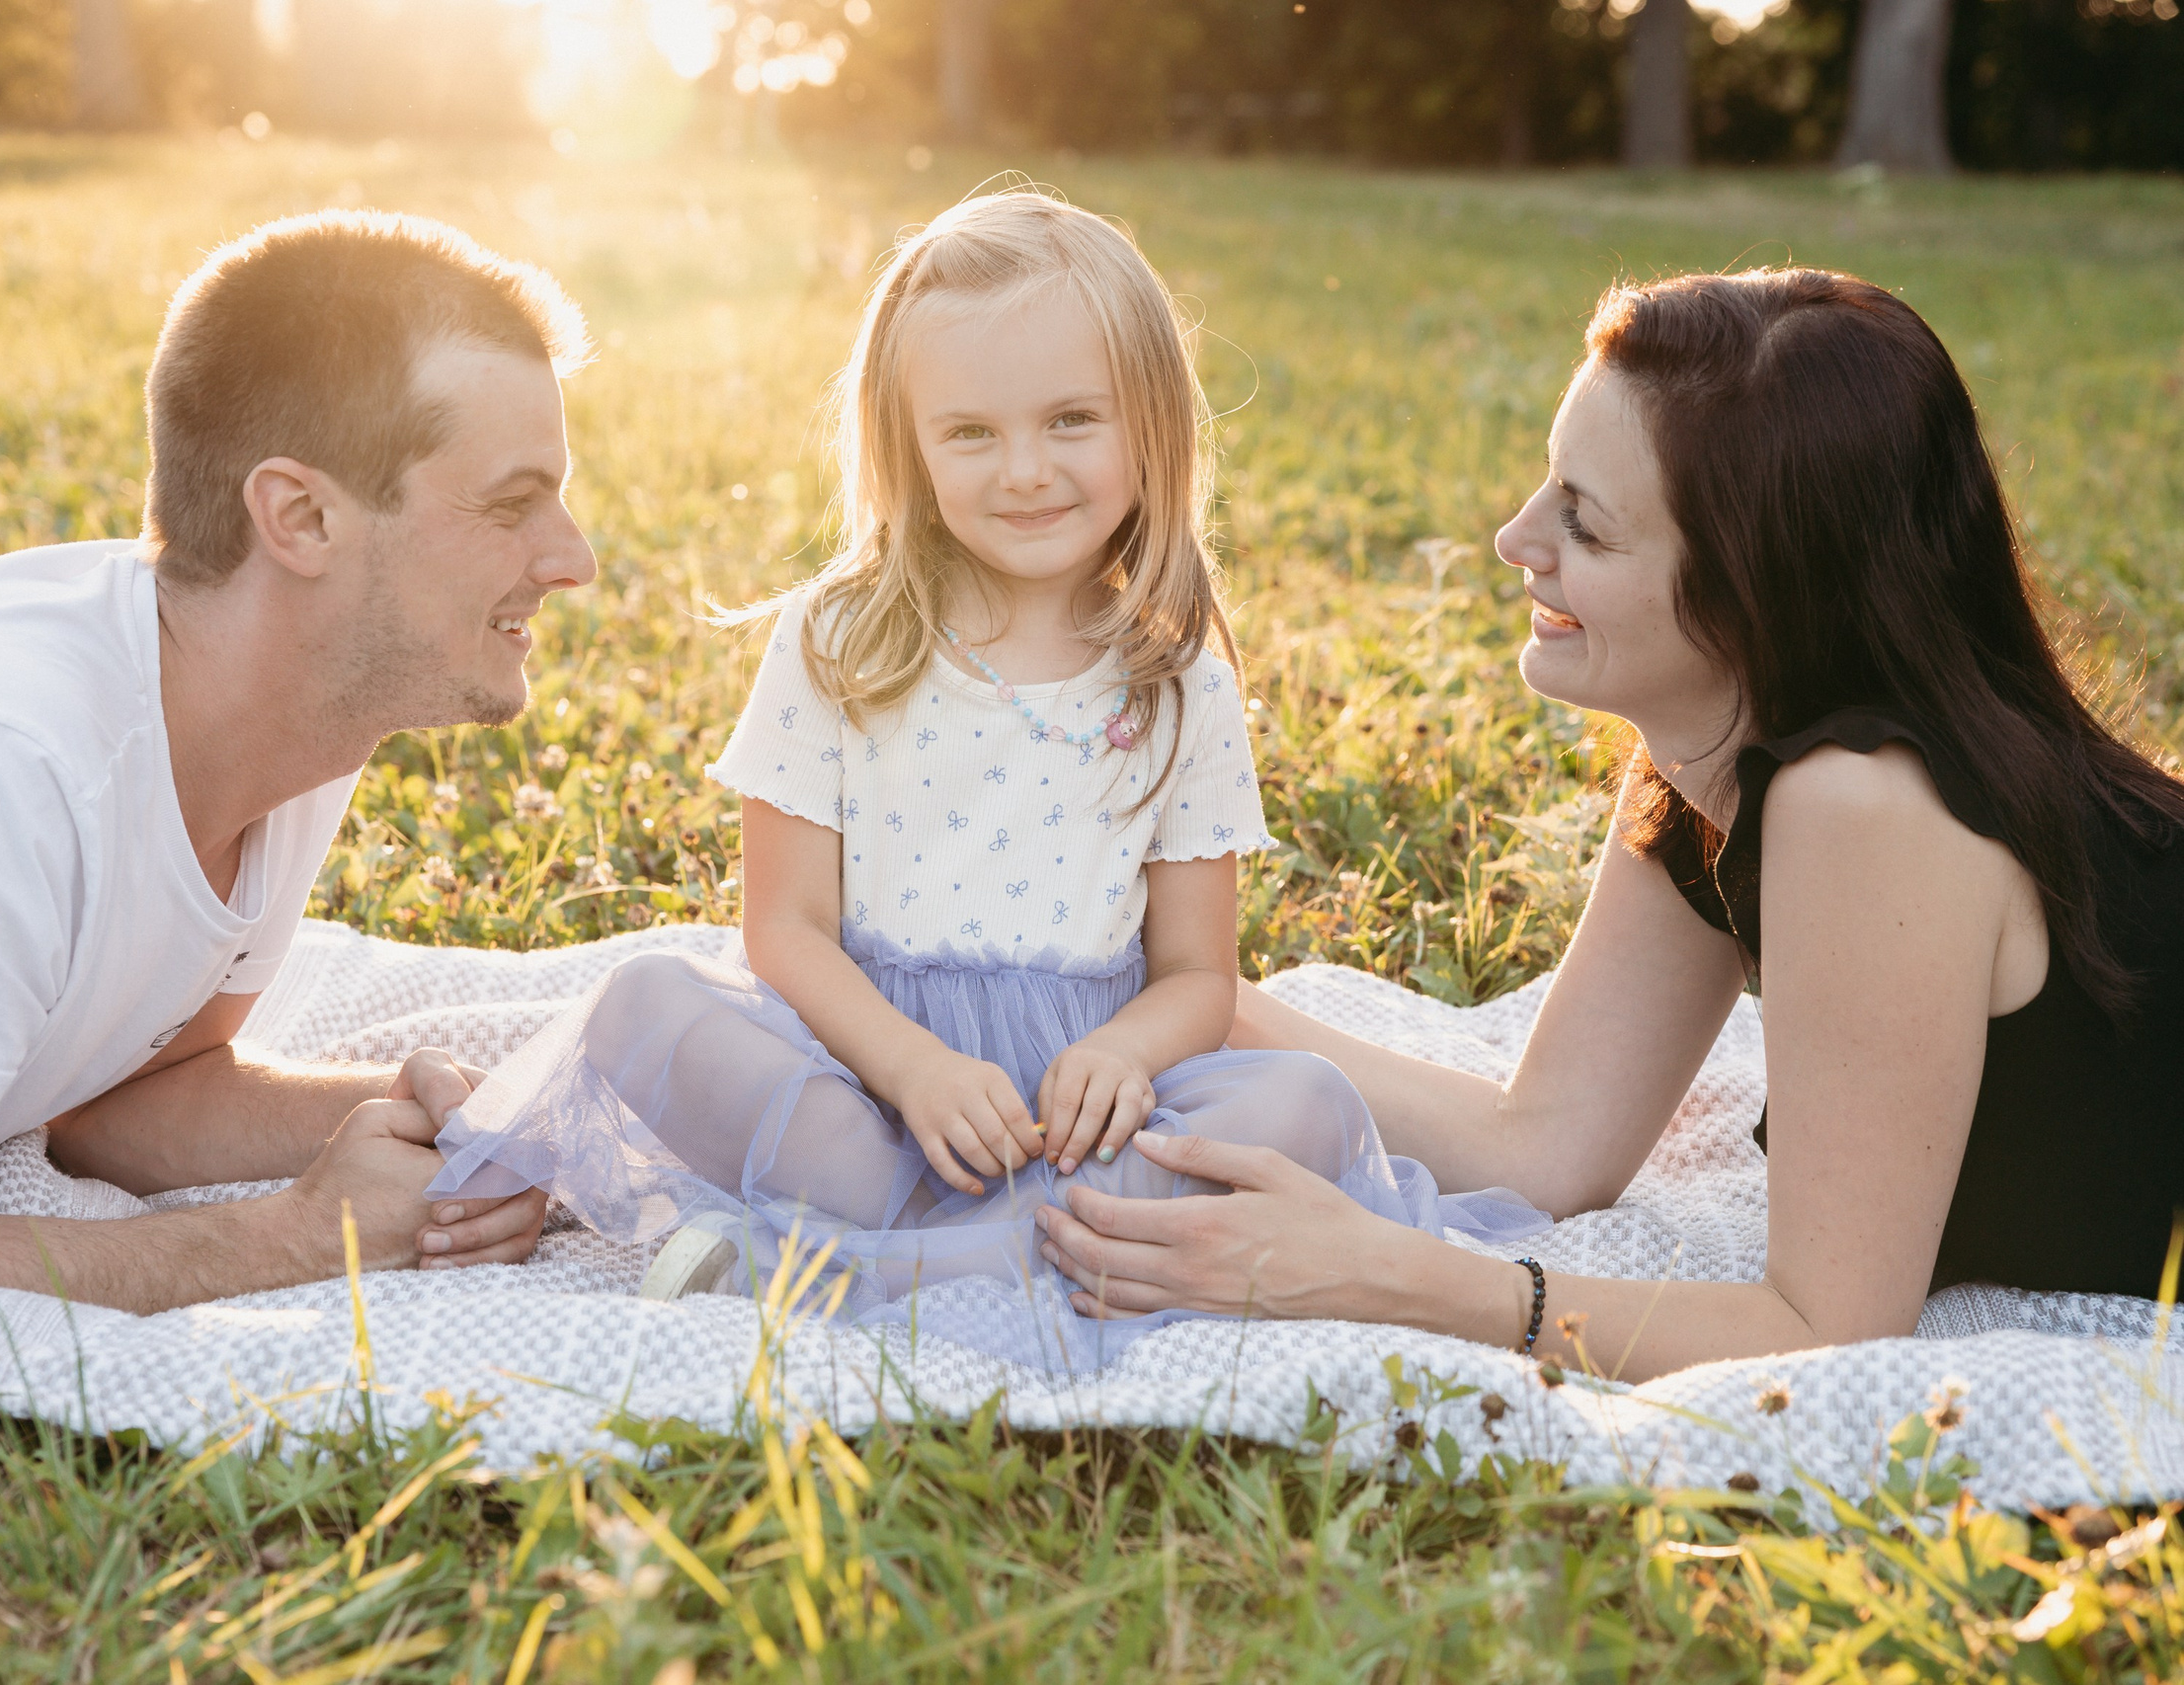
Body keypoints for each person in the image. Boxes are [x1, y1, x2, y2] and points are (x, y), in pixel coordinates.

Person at [427, 190, 1545, 1367]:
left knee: (1305, 1107)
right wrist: (910, 1067)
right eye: (969, 433)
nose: (1024, 471)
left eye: (1071, 419)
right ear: (907, 441)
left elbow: (1196, 977)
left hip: (1072, 1121)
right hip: (862, 1082)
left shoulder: (1177, 679)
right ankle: (980, 1255)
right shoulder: (837, 639)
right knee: (640, 999)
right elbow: (785, 929)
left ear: (1151, 424)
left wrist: (1123, 1057)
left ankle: (853, 1275)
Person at [1034, 267, 2184, 1380]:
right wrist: (1135, 983)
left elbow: (1826, 1330)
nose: (1514, 539)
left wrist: (1385, 1273)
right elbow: (1545, 1146)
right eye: (1548, 485)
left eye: (1583, 523)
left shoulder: (1866, 804)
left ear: (1750, 587)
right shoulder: (1712, 750)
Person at [0, 210, 594, 1311]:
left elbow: (120, 1094)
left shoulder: (295, 706)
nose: (571, 558)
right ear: (299, 517)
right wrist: (299, 1233)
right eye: (511, 503)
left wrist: (451, 1128)